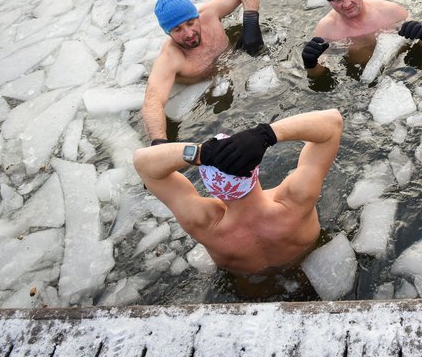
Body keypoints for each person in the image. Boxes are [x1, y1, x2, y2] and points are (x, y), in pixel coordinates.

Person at [133, 109, 343, 274]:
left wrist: (202, 153)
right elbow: (332, 122)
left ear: (209, 184)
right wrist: (266, 134)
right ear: (253, 171)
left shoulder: (202, 223)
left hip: (251, 288)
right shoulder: (296, 200)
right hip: (308, 269)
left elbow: (143, 164)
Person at [142, 0, 264, 145]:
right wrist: (159, 143)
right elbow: (152, 101)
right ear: (168, 32)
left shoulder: (209, 15)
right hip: (209, 93)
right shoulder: (170, 58)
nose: (189, 33)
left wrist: (251, 22)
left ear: (196, 17)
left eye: (191, 23)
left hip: (239, 67)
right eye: (177, 30)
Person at [301, 0, 422, 77]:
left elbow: (421, 48)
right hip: (359, 77)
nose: (347, 4)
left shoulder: (391, 12)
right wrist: (310, 64)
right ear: (328, 1)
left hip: (401, 69)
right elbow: (321, 75)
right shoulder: (326, 29)